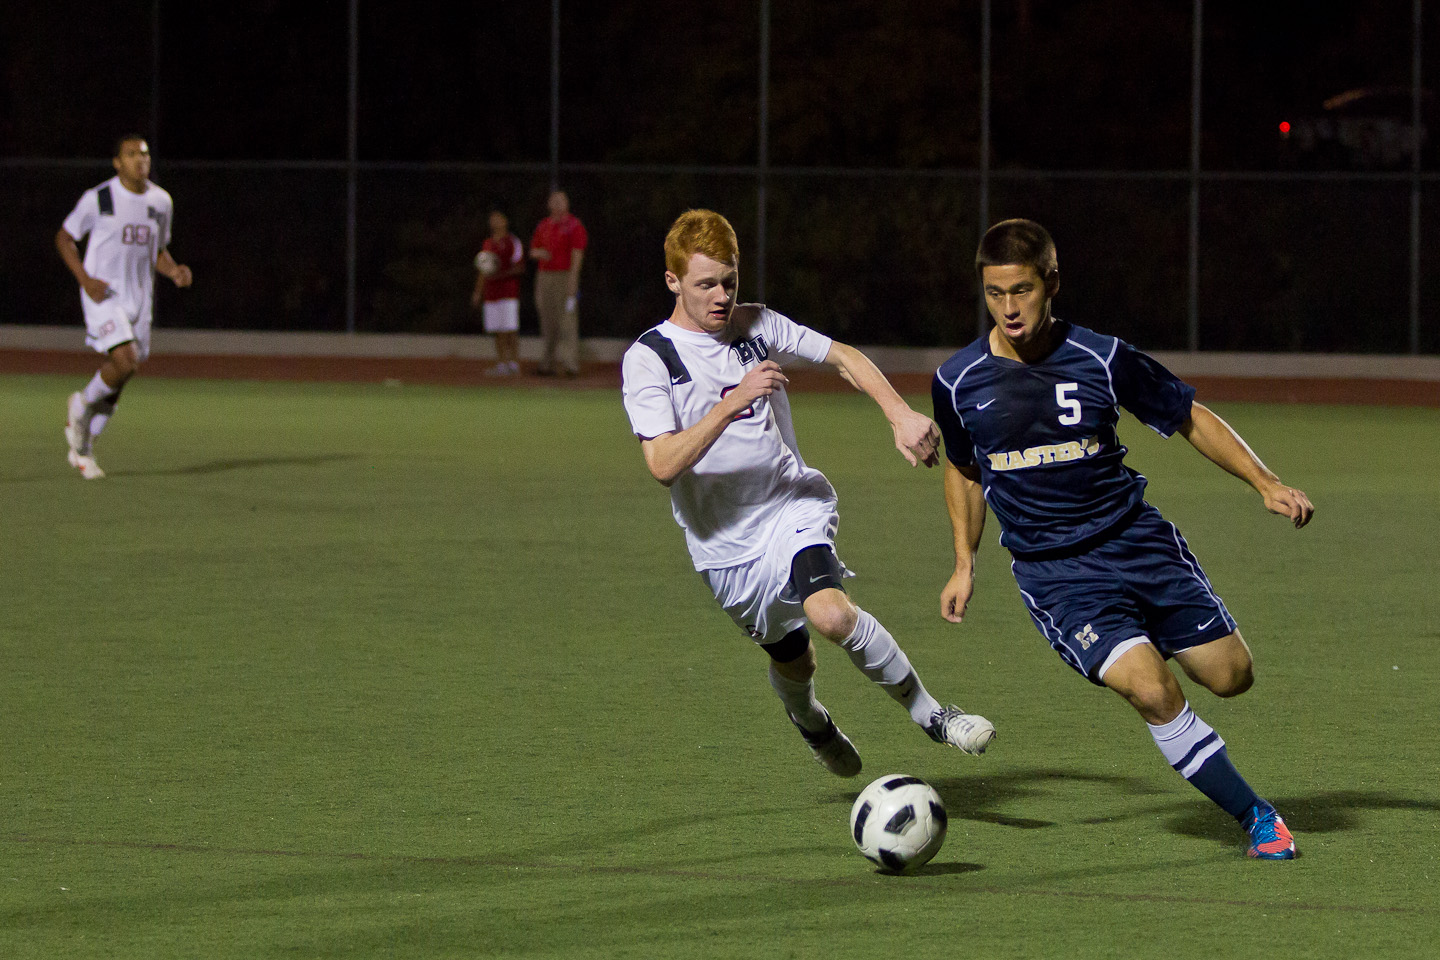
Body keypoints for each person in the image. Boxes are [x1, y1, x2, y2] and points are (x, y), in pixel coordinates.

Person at [933, 218, 1314, 859]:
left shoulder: (1102, 358)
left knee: (1231, 677)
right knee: (1152, 690)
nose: (1008, 308)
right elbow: (965, 469)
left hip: (1136, 541)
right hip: (1057, 575)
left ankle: (1155, 629)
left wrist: (1264, 482)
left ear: (1051, 282)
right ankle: (1256, 817)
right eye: (994, 294)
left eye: (1021, 290)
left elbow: (1187, 413)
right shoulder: (958, 381)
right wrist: (963, 562)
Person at [621, 209, 995, 778]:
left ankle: (933, 713)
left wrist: (897, 414)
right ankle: (809, 718)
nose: (721, 296)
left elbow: (843, 356)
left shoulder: (757, 324)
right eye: (705, 284)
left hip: (790, 504)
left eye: (730, 281)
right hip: (723, 549)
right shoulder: (650, 358)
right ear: (672, 281)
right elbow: (662, 463)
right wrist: (732, 401)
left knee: (830, 614)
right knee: (794, 659)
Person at [57, 134, 192, 479]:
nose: (140, 160)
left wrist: (173, 270)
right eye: (131, 154)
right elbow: (65, 238)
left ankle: (84, 448)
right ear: (117, 163)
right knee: (125, 360)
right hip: (103, 295)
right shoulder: (99, 198)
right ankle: (82, 404)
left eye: (144, 154)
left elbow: (157, 251)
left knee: (125, 372)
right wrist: (84, 279)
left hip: (139, 299)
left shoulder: (161, 202)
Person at [529, 189, 587, 377]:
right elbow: (533, 249)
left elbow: (577, 254)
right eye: (554, 200)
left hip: (564, 275)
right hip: (545, 276)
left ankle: (570, 364)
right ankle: (548, 362)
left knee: (567, 320)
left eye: (561, 200)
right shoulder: (544, 225)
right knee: (547, 320)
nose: (557, 204)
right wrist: (540, 253)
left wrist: (573, 281)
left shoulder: (573, 225)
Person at [470, 210, 525, 376]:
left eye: (498, 218)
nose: (495, 222)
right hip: (491, 293)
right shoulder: (487, 243)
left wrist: (499, 274)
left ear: (505, 221)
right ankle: (502, 363)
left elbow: (520, 267)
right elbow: (483, 269)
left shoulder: (512, 242)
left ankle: (514, 363)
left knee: (510, 329)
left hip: (508, 292)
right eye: (492, 219)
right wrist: (478, 291)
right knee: (497, 330)